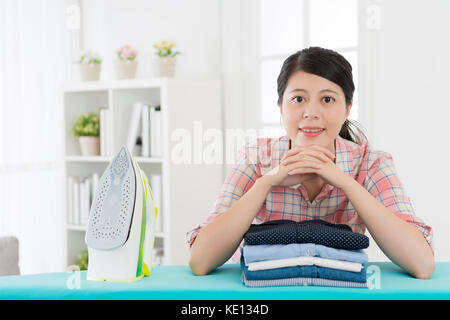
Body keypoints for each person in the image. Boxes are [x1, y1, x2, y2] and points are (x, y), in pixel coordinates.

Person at [186, 47, 434, 279]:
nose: (311, 113)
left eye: (327, 100)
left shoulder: (371, 162)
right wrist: (267, 183)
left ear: (348, 107)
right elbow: (200, 261)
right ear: (280, 107)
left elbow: (421, 264)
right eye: (298, 99)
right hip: (263, 291)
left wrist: (346, 183)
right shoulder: (257, 157)